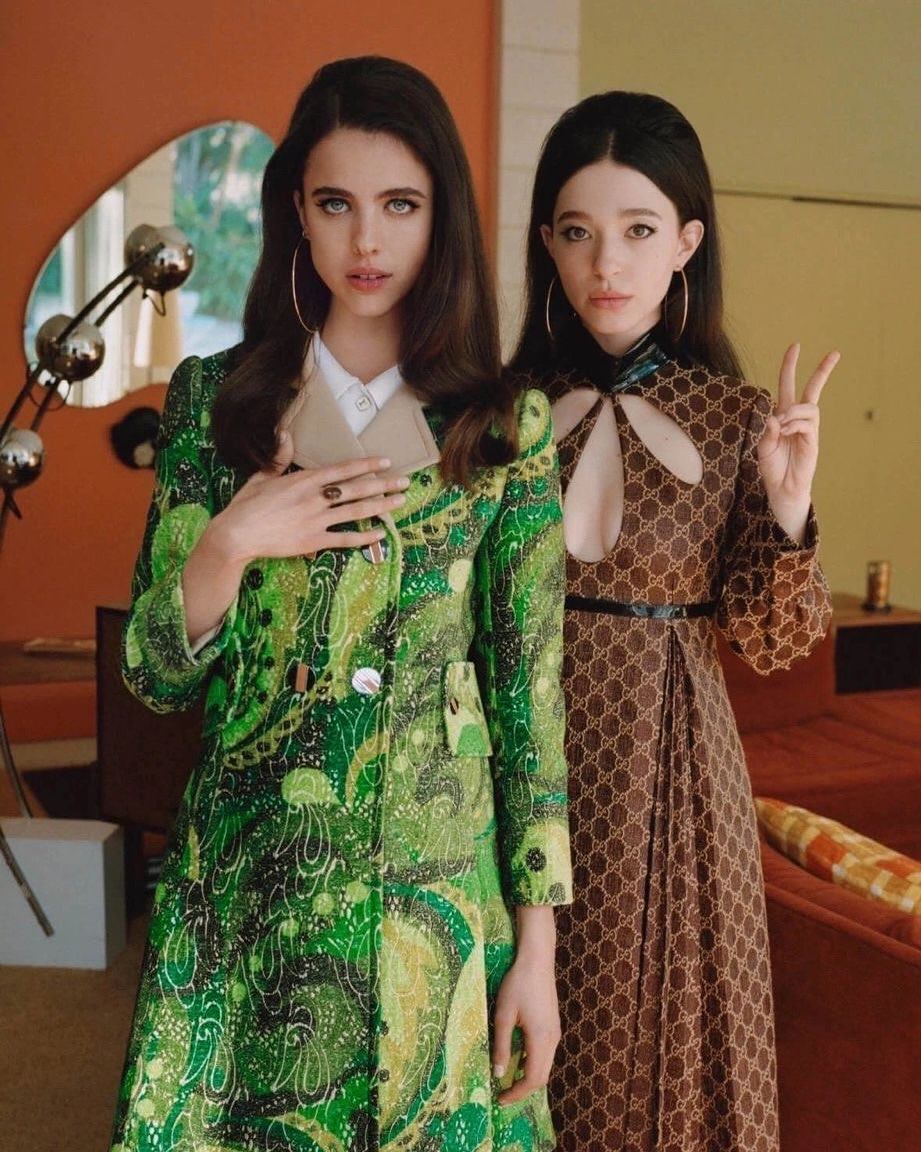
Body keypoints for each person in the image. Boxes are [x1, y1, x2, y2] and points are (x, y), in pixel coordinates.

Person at [111, 56, 571, 1152]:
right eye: (335, 204)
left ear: (441, 219)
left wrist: (536, 951)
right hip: (249, 885)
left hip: (436, 901)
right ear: (296, 215)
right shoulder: (214, 402)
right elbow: (153, 675)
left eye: (400, 205)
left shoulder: (506, 427)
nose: (367, 241)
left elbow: (529, 704)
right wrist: (231, 541)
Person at [510, 90, 838, 1152]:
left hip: (671, 777)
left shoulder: (740, 417)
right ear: (547, 245)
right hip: (511, 759)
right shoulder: (498, 412)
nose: (607, 262)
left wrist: (787, 506)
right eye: (577, 232)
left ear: (687, 242)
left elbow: (776, 642)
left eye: (639, 230)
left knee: (648, 1069)